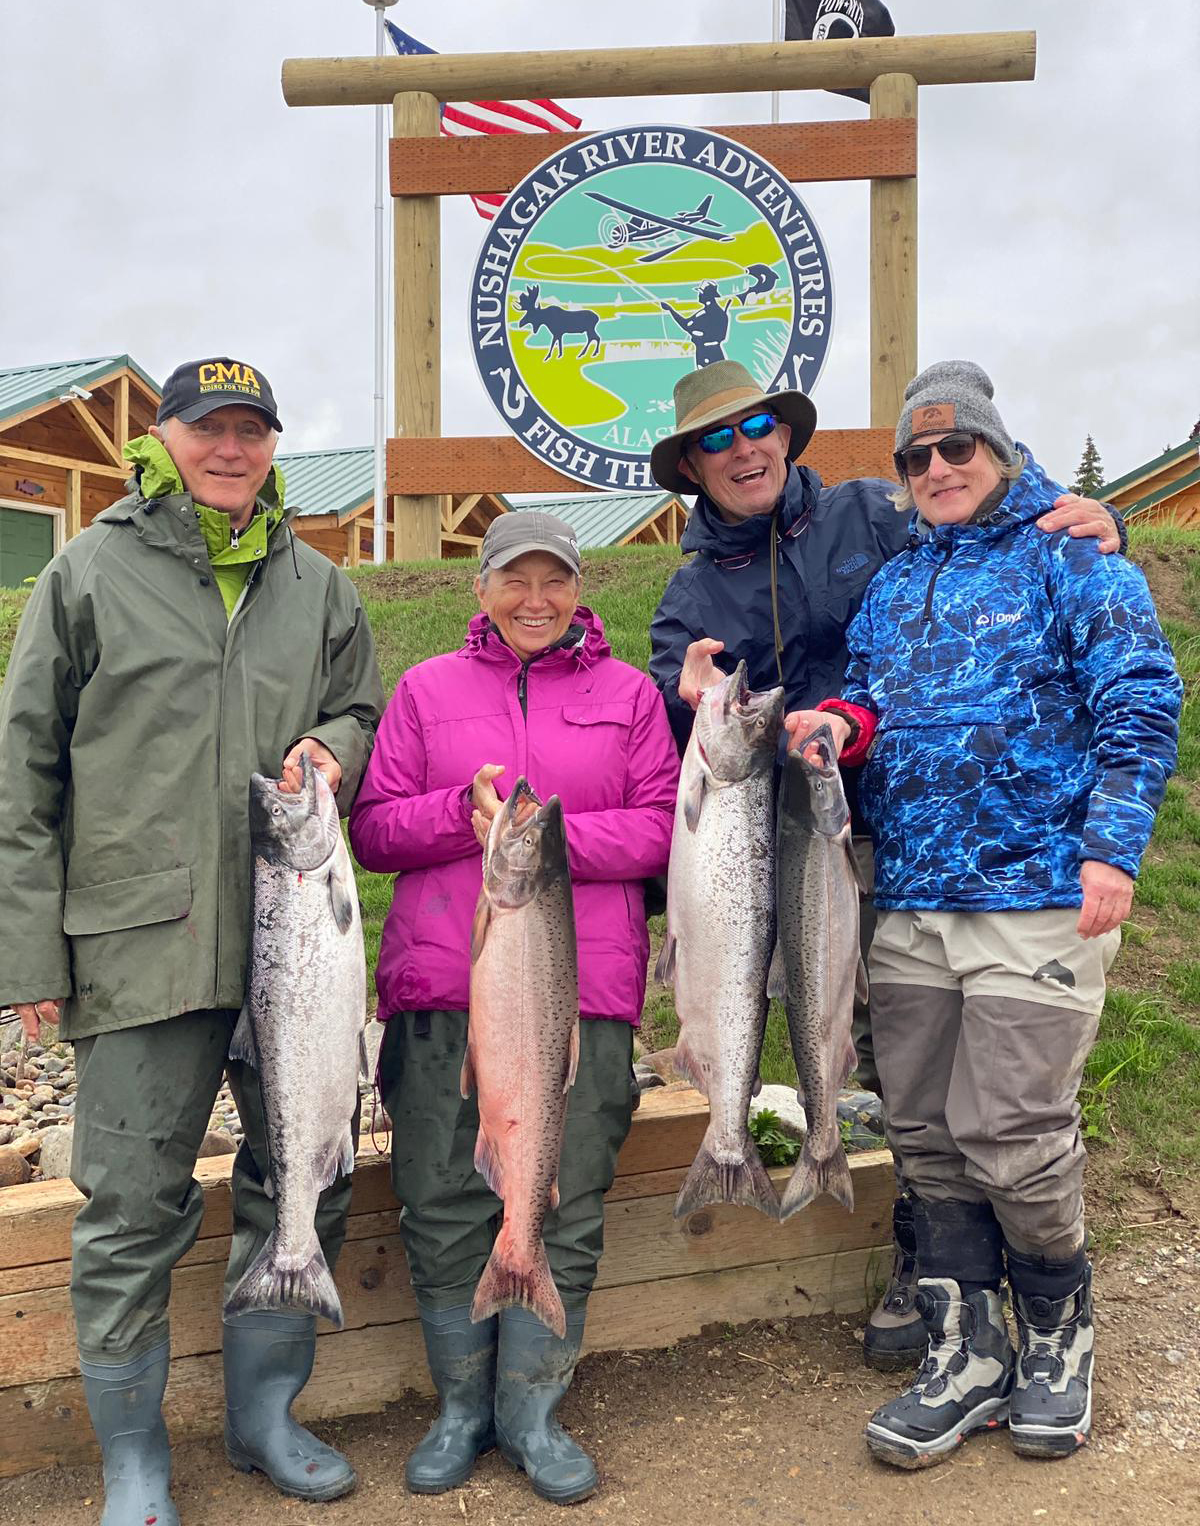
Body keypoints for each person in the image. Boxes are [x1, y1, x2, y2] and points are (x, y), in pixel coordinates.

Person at [647, 358, 1125, 1371]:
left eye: (759, 425)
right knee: (875, 1059)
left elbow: (987, 537)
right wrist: (688, 702)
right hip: (760, 831)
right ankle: (947, 1272)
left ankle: (926, 1256)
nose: (745, 449)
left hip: (897, 830)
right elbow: (669, 726)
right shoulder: (688, 591)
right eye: (718, 439)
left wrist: (1089, 514)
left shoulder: (877, 512)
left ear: (788, 431)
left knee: (881, 1034)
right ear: (691, 464)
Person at [0, 358, 384, 1524]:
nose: (232, 448)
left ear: (274, 445)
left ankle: (266, 1414)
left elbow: (361, 705)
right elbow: (24, 773)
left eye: (253, 429)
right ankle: (134, 1458)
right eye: (209, 427)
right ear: (163, 437)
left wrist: (333, 745)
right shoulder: (86, 570)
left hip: (295, 945)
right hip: (136, 946)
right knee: (126, 1207)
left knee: (301, 1176)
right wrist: (27, 962)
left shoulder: (320, 584)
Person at [803, 360, 1181, 1468]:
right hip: (913, 900)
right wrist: (838, 723)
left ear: (998, 451)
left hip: (1040, 896)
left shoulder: (1076, 553)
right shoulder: (893, 582)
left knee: (1012, 1134)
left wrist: (1113, 847)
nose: (935, 469)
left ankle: (1060, 1332)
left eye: (955, 448)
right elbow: (870, 692)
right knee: (924, 1134)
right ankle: (967, 1346)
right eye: (915, 458)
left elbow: (1141, 695)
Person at [349, 511, 678, 1507]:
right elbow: (372, 829)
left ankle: (531, 1408)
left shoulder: (628, 697)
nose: (536, 600)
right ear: (479, 587)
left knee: (560, 1194)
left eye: (557, 581)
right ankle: (461, 1405)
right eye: (514, 580)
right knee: (443, 1197)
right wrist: (462, 814)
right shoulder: (424, 690)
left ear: (581, 589)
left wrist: (547, 837)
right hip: (442, 987)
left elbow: (665, 829)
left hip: (584, 996)